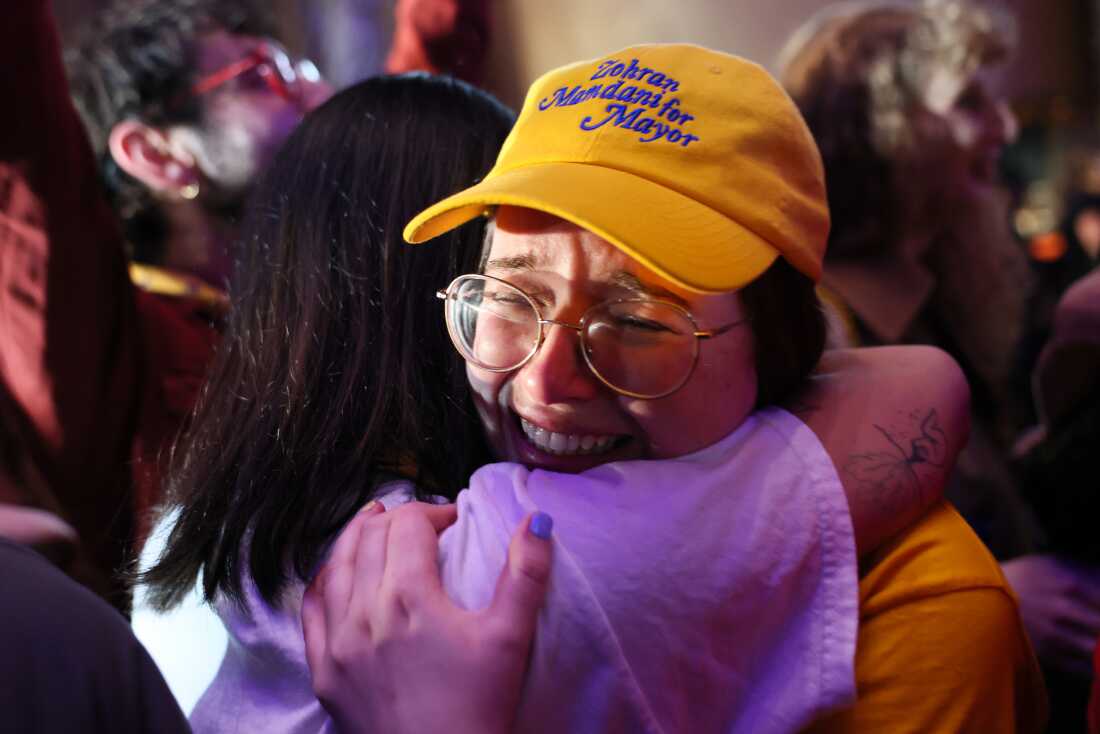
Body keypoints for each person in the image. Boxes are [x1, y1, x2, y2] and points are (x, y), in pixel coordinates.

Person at [301, 43, 1046, 732]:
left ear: (779, 349)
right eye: (507, 298)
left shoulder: (921, 616)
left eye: (637, 323)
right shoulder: (416, 527)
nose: (545, 380)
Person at [779, 0, 1099, 707]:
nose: (1006, 129)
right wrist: (999, 588)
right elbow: (779, 572)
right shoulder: (813, 326)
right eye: (971, 103)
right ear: (880, 131)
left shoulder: (934, 295)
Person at [0, 0, 328, 609]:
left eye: (298, 68)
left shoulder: (310, 296)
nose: (318, 92)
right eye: (260, 76)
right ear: (157, 155)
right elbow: (26, 150)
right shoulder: (109, 346)